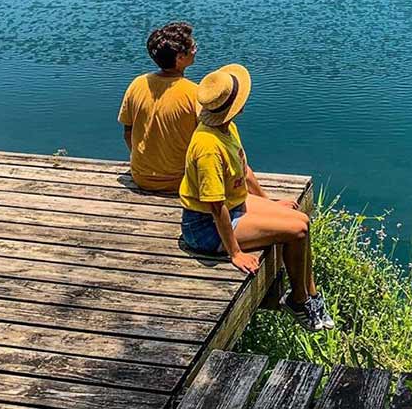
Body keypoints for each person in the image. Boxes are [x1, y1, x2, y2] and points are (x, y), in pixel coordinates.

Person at [179, 64, 334, 332]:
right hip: (206, 228)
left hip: (234, 205)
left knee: (301, 219)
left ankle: (311, 294)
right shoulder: (207, 146)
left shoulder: (227, 129)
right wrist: (235, 253)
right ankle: (297, 301)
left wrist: (269, 202)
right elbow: (215, 207)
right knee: (296, 230)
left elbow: (244, 170)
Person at [118, 21, 199, 192]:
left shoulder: (138, 84)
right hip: (181, 181)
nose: (195, 49)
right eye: (192, 47)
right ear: (180, 58)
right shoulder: (194, 93)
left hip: (141, 176)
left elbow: (127, 133)